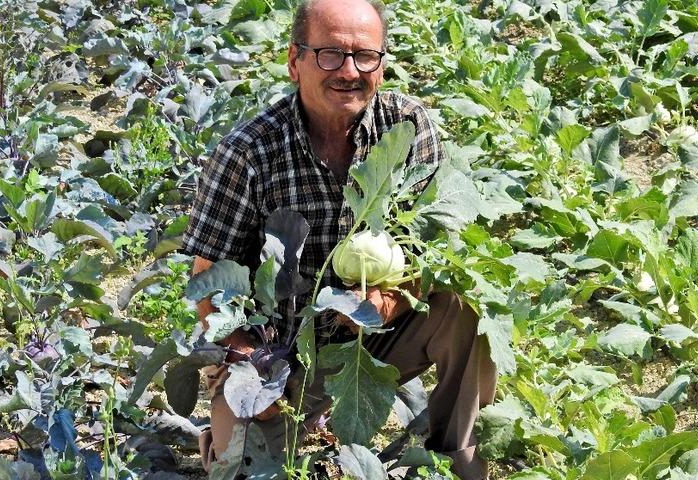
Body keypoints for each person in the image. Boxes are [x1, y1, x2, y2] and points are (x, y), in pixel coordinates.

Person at [182, 0, 497, 477]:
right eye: (330, 54)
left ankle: (454, 453)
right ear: (295, 61)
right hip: (281, 355)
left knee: (464, 305)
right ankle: (227, 436)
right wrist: (253, 372)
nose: (349, 71)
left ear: (382, 64)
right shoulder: (248, 151)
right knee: (247, 467)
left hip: (378, 337)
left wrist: (390, 302)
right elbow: (209, 283)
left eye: (365, 56)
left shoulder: (408, 127)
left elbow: (432, 249)